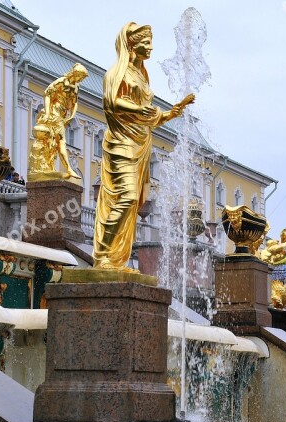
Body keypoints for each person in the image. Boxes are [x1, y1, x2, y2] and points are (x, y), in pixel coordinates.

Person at [92, 22, 194, 271]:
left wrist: (173, 112)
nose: (149, 47)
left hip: (141, 143)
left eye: (150, 42)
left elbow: (152, 117)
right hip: (121, 142)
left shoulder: (141, 76)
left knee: (134, 202)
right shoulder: (117, 73)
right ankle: (103, 255)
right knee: (125, 197)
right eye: (144, 42)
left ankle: (117, 259)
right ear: (130, 44)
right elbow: (111, 104)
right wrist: (139, 109)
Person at [37, 63, 89, 180]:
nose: (81, 80)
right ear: (75, 74)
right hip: (55, 114)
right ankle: (69, 170)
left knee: (54, 144)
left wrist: (72, 116)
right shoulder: (61, 82)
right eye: (81, 77)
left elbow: (75, 103)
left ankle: (49, 167)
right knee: (61, 142)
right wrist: (48, 112)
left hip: (63, 116)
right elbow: (47, 93)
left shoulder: (76, 87)